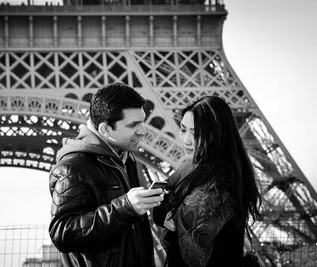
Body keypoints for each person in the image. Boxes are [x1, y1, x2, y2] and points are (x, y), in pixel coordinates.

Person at [49, 82, 164, 267]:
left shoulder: (126, 158)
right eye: (133, 124)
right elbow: (62, 233)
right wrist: (124, 207)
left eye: (142, 121)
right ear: (105, 129)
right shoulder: (72, 166)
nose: (142, 130)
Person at [153, 95, 261, 267]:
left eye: (196, 133)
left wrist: (163, 211)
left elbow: (192, 255)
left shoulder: (217, 183)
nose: (186, 140)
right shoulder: (197, 166)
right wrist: (160, 212)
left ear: (215, 134)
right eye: (183, 129)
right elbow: (163, 191)